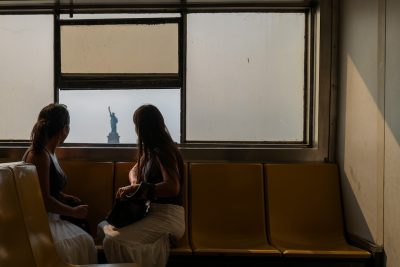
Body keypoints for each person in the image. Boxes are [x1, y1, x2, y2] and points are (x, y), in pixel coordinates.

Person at [99, 104, 185, 267]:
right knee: (103, 228)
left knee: (113, 241)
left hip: (168, 216)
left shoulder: (163, 150)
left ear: (143, 127)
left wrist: (139, 189)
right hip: (155, 213)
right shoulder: (150, 152)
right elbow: (134, 169)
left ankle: (161, 242)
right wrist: (134, 184)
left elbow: (173, 187)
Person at [22, 103, 97, 264]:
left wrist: (64, 197)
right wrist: (73, 212)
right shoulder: (39, 155)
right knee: (86, 241)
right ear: (65, 129)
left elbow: (47, 188)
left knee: (85, 235)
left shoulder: (50, 152)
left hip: (52, 216)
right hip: (43, 221)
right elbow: (43, 200)